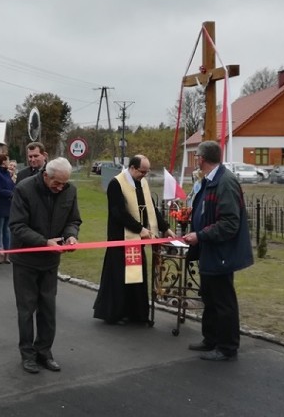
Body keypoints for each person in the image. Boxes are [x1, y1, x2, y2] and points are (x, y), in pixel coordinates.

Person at [182, 141, 254, 362]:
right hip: (209, 251)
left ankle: (227, 346)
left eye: (196, 157)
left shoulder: (225, 182)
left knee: (223, 301)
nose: (196, 161)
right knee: (209, 297)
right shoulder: (209, 181)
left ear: (201, 159)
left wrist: (200, 235)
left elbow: (230, 223)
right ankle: (211, 339)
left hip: (221, 252)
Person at [9, 157, 81, 374]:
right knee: (26, 309)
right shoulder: (24, 189)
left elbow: (73, 220)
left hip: (50, 261)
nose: (60, 188)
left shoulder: (69, 190)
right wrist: (43, 242)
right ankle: (27, 354)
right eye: (56, 183)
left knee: (48, 309)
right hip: (25, 260)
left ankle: (44, 352)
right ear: (46, 175)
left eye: (64, 184)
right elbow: (17, 225)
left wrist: (70, 236)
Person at [93, 155, 175, 325]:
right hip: (121, 239)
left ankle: (136, 314)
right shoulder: (116, 184)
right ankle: (116, 313)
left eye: (147, 172)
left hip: (136, 239)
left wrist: (164, 227)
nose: (144, 175)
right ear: (132, 167)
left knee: (136, 277)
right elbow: (118, 212)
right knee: (120, 278)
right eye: (142, 172)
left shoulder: (142, 183)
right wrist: (140, 229)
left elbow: (151, 208)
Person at [0, 154, 15, 264]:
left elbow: (11, 185)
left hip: (8, 205)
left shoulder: (7, 173)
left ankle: (7, 253)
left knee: (7, 230)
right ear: (3, 162)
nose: (8, 162)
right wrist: (10, 193)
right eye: (7, 160)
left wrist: (15, 192)